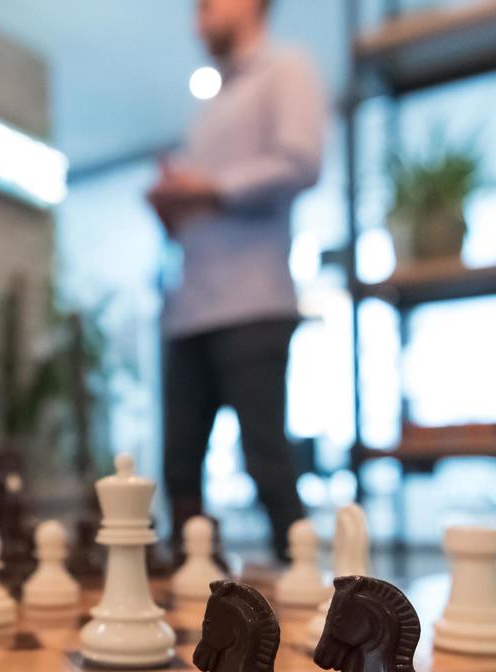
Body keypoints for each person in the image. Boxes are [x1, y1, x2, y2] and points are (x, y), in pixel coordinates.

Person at [148, 0, 325, 562]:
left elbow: (301, 163)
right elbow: (199, 207)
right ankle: (192, 584)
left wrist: (208, 188)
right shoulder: (206, 110)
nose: (197, 19)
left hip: (254, 303)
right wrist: (174, 203)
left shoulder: (288, 68)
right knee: (179, 464)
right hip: (189, 308)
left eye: (207, 5)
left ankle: (310, 597)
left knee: (265, 458)